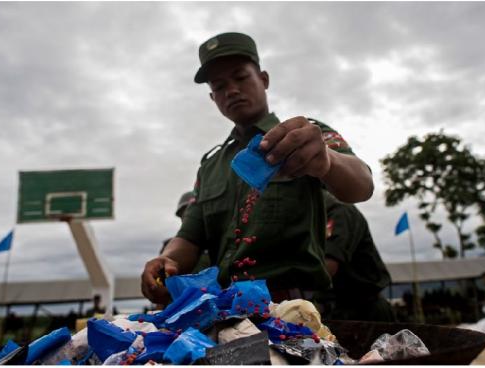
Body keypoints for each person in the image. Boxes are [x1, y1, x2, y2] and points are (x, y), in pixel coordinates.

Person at [141, 32, 374, 305]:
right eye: (219, 86)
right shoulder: (211, 166)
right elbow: (190, 237)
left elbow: (363, 185)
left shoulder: (305, 136)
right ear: (212, 98)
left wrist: (328, 161)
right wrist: (167, 260)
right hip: (226, 308)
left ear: (263, 80)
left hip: (291, 310)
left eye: (241, 77)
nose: (231, 90)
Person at [315, 191, 395, 322]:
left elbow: (329, 266)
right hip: (339, 309)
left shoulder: (337, 210)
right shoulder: (317, 213)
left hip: (364, 313)